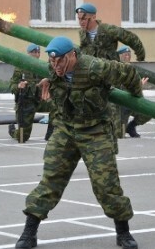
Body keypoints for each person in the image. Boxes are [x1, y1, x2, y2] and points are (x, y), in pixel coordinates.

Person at [15, 36, 142, 249]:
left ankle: (123, 233)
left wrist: (136, 96)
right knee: (50, 179)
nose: (56, 66)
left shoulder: (96, 67)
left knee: (106, 184)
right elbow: (52, 78)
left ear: (72, 55)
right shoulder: (54, 69)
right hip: (66, 129)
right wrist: (50, 79)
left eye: (60, 61)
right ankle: (29, 233)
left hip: (95, 130)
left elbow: (129, 73)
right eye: (52, 62)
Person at [76, 2, 149, 141]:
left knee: (115, 123)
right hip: (93, 79)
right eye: (79, 19)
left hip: (111, 77)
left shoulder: (108, 30)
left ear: (94, 17)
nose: (81, 22)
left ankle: (122, 129)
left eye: (84, 19)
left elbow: (131, 38)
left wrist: (140, 56)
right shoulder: (83, 34)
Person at [8, 43, 54, 142]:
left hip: (39, 101)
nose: (36, 55)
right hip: (25, 104)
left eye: (38, 52)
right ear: (28, 54)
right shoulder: (20, 68)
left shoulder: (42, 67)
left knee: (56, 106)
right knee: (22, 138)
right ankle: (13, 131)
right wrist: (18, 86)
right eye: (33, 52)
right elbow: (12, 86)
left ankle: (50, 135)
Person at [117, 45, 149, 138]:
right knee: (120, 135)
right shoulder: (116, 69)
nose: (127, 57)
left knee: (147, 113)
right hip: (120, 106)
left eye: (129, 55)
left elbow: (138, 91)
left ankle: (131, 127)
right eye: (125, 55)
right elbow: (119, 89)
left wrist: (140, 87)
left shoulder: (133, 71)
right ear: (119, 56)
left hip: (132, 103)